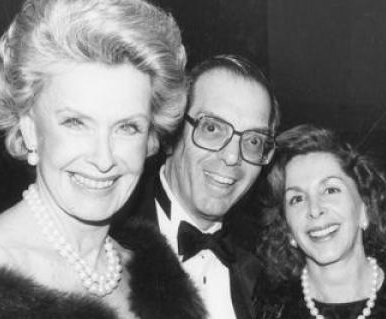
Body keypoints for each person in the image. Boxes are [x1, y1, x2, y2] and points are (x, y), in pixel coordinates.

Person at [0, 0, 207, 318]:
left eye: (127, 127)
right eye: (76, 123)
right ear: (28, 128)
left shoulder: (150, 271)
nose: (104, 158)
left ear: (150, 137)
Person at [112, 54, 280, 319]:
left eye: (254, 141)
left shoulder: (264, 271)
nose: (232, 156)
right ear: (171, 135)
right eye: (212, 128)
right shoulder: (104, 242)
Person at [255, 124, 386, 318]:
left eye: (330, 190)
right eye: (297, 199)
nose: (314, 209)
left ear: (364, 208)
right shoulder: (266, 308)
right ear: (287, 228)